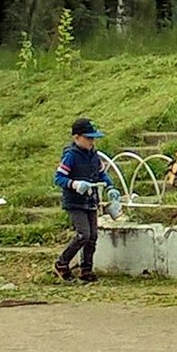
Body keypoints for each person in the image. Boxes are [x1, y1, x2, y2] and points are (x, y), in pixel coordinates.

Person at [53, 117, 113, 282]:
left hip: (91, 200)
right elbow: (58, 178)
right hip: (75, 202)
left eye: (93, 138)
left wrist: (110, 187)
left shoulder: (94, 156)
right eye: (88, 138)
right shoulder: (71, 156)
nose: (91, 142)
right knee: (83, 234)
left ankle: (86, 269)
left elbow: (102, 174)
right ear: (76, 137)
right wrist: (74, 184)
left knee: (93, 235)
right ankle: (62, 262)